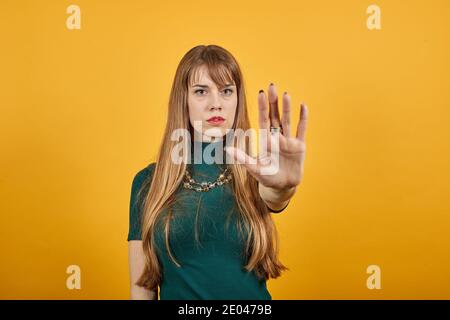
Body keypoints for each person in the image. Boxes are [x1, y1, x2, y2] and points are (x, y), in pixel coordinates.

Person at [127, 44, 309, 300]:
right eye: (201, 91)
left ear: (237, 99)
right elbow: (142, 289)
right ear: (184, 100)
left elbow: (274, 195)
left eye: (226, 91)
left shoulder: (257, 173)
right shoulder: (148, 182)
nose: (216, 104)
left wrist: (284, 186)